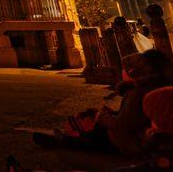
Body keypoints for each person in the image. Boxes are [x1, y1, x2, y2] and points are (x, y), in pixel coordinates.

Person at [34, 50, 173, 157]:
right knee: (96, 130)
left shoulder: (138, 93)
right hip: (144, 137)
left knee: (96, 136)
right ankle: (66, 138)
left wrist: (102, 117)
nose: (122, 71)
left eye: (125, 69)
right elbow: (134, 117)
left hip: (136, 141)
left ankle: (63, 141)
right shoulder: (153, 86)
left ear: (135, 72)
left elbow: (124, 124)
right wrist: (111, 114)